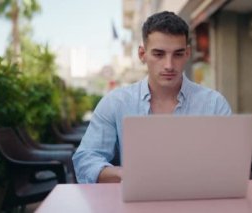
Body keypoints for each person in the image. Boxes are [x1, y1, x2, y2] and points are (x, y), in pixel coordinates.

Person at [72, 11, 232, 183]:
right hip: (135, 204)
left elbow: (231, 161)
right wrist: (124, 174)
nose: (169, 65)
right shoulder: (115, 103)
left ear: (187, 54)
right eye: (158, 54)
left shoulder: (214, 104)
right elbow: (85, 159)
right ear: (142, 54)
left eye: (177, 54)